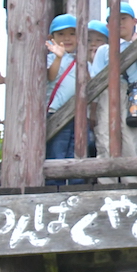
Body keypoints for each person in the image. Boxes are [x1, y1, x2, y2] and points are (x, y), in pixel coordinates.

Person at [90, 2, 137, 183]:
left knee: (132, 139)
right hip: (108, 93)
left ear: (134, 21)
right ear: (108, 26)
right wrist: (93, 108)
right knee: (105, 136)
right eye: (114, 20)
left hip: (135, 93)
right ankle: (107, 182)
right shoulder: (103, 50)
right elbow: (95, 80)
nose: (119, 23)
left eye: (123, 18)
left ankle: (134, 183)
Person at [46, 14, 79, 168]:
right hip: (56, 113)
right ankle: (54, 180)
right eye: (61, 34)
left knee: (75, 152)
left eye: (72, 34)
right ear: (51, 38)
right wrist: (58, 58)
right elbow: (51, 76)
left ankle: (76, 180)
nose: (67, 38)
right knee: (57, 152)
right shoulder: (50, 58)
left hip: (76, 114)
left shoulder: (80, 60)